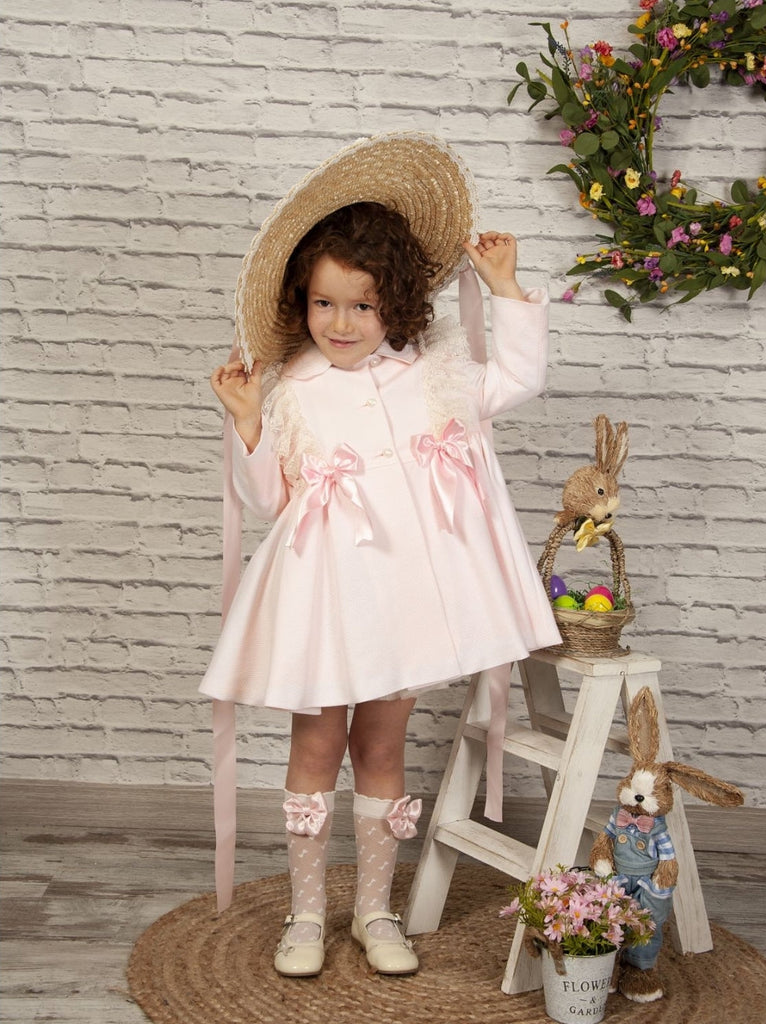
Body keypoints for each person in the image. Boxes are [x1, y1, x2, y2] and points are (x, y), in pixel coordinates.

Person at [199, 132, 561, 979]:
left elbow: (517, 380)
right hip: (326, 603)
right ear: (301, 301)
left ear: (394, 304)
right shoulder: (292, 389)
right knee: (314, 749)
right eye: (324, 304)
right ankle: (304, 915)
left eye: (361, 307)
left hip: (399, 604)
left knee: (382, 750)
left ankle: (373, 911)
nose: (340, 324)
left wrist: (505, 290)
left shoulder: (432, 374)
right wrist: (248, 424)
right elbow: (268, 501)